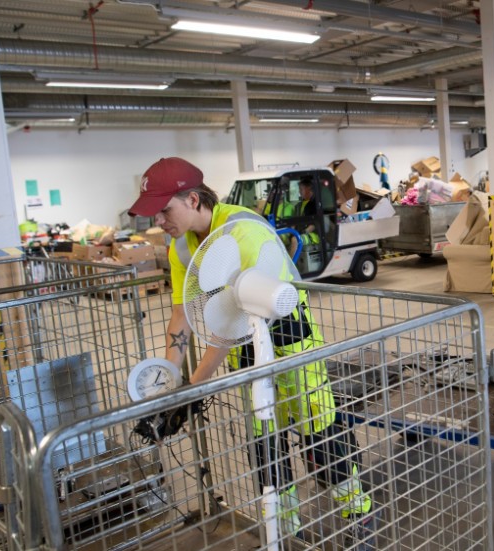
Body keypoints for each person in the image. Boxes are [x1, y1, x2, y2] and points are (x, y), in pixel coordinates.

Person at [128, 157, 377, 548]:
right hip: (242, 343)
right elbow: (182, 312)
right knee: (265, 439)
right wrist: (168, 382)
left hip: (290, 333)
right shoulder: (180, 246)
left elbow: (223, 332)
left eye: (164, 210)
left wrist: (189, 394)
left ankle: (357, 512)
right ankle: (285, 529)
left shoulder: (243, 231)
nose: (158, 220)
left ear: (192, 200)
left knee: (320, 431)